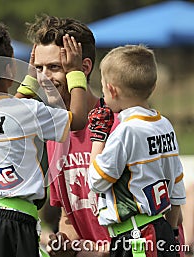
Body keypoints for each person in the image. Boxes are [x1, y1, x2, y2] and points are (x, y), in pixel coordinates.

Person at [0, 21, 88, 257]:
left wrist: (30, 80)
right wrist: (75, 71)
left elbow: (8, 107)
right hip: (12, 220)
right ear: (10, 69)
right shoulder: (29, 110)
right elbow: (77, 119)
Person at [16, 15, 118, 256]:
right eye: (38, 68)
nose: (43, 78)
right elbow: (68, 216)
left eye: (54, 67)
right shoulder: (54, 133)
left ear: (82, 68)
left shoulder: (119, 126)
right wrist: (63, 243)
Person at [87, 44, 186, 257]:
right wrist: (174, 233)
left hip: (135, 237)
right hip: (161, 230)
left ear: (112, 89)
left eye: (103, 87)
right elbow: (176, 186)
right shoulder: (165, 125)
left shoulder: (126, 131)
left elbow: (96, 180)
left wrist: (97, 138)